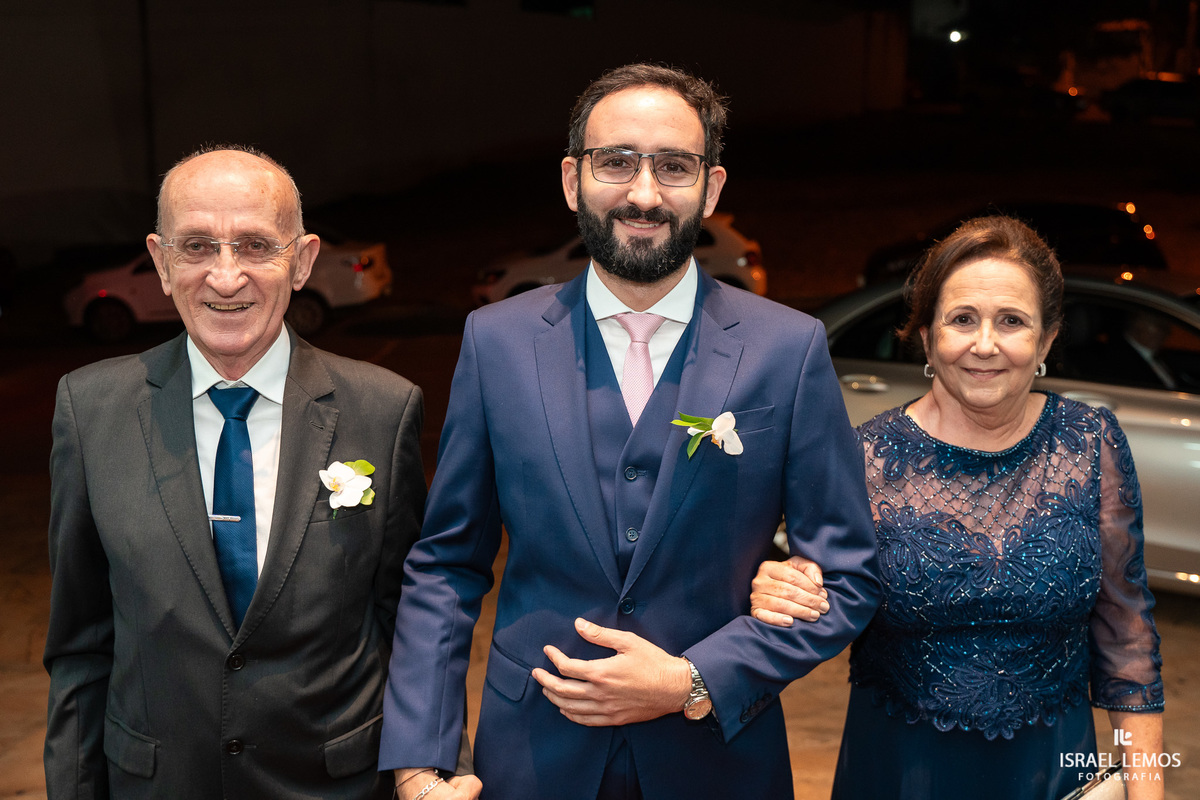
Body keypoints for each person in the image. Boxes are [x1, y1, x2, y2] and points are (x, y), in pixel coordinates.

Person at [377, 63, 881, 800]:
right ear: (572, 179)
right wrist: (420, 764)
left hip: (719, 764)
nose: (644, 194)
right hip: (530, 759)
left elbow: (847, 574)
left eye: (673, 166)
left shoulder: (787, 348)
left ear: (710, 188)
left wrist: (697, 678)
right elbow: (447, 565)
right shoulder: (497, 341)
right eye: (616, 162)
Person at [43, 145, 450, 799]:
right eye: (197, 247)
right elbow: (80, 646)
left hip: (334, 786)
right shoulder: (89, 411)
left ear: (303, 261)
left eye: (255, 246)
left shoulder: (383, 409)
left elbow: (413, 619)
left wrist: (429, 768)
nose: (226, 277)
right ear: (161, 262)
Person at [752, 215, 1165, 800]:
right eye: (962, 319)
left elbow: (1128, 638)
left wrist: (1146, 788)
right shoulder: (863, 458)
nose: (985, 344)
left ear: (1046, 340)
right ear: (927, 338)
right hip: (902, 771)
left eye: (1012, 321)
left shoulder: (1089, 443)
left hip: (1052, 768)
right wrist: (781, 584)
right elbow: (820, 593)